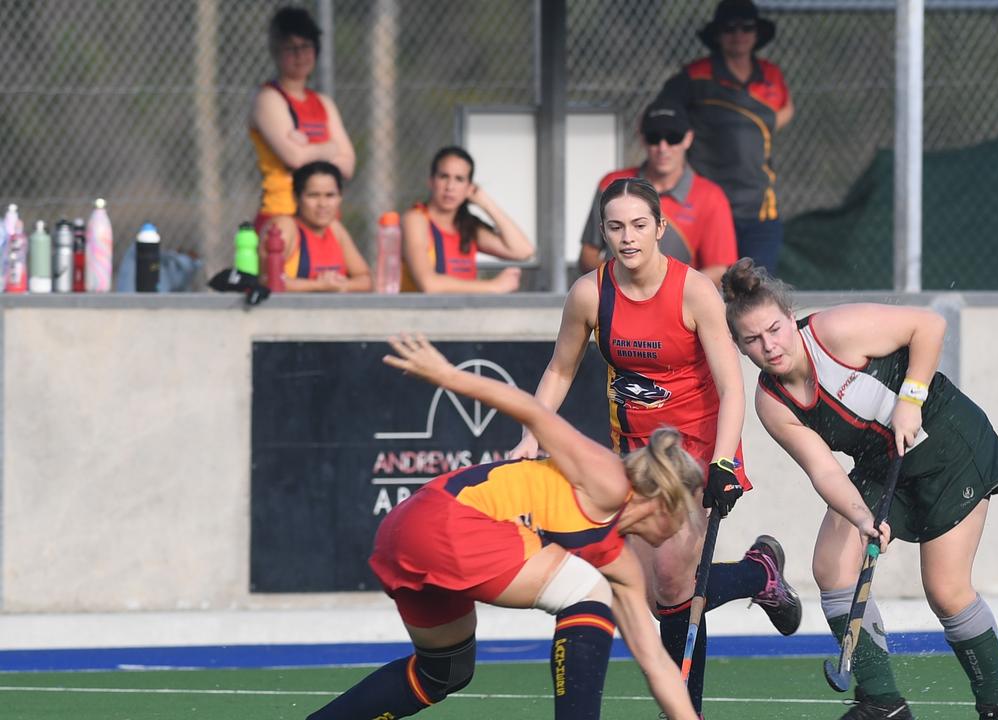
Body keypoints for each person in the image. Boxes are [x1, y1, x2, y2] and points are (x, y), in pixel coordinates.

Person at [511, 177, 799, 716]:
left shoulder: (694, 291)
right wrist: (531, 433)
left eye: (640, 225)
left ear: (660, 228)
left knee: (673, 582)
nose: (628, 237)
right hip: (638, 454)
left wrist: (723, 462)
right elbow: (559, 369)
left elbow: (731, 384)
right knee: (639, 590)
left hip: (699, 450)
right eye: (616, 227)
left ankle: (687, 709)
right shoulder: (589, 294)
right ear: (603, 232)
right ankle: (760, 572)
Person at [305, 333, 705, 720]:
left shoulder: (620, 563)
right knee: (588, 589)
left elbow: (656, 665)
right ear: (663, 498)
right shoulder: (609, 478)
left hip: (404, 530)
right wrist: (448, 377)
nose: (683, 528)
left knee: (443, 672)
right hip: (450, 521)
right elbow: (532, 411)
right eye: (685, 513)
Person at [721, 257, 998, 720]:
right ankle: (883, 703)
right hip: (882, 464)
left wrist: (911, 397)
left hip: (947, 442)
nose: (770, 346)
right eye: (753, 340)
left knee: (945, 590)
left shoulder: (836, 331)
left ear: (790, 318)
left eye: (774, 330)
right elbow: (824, 472)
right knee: (832, 564)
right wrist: (863, 518)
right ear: (741, 348)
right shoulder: (772, 404)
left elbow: (928, 326)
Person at [657, 0, 794, 275]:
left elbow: (786, 109)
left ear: (756, 33)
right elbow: (657, 120)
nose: (739, 35)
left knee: (759, 289)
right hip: (712, 204)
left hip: (759, 205)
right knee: (713, 288)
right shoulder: (695, 76)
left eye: (747, 27)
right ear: (718, 35)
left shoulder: (770, 74)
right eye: (730, 28)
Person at [578, 100, 737, 287]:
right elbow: (588, 255)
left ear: (688, 138)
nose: (663, 148)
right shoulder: (612, 185)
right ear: (642, 138)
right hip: (616, 299)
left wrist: (665, 293)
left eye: (673, 137)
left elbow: (719, 269)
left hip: (679, 306)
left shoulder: (711, 196)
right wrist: (619, 285)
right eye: (654, 137)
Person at [249, 5, 356, 235]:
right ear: (276, 51)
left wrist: (308, 148)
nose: (299, 55)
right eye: (291, 48)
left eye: (305, 46)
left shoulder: (323, 103)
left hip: (324, 219)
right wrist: (329, 148)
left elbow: (348, 164)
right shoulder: (268, 99)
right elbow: (295, 158)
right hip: (283, 216)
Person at [400, 146, 533, 294]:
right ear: (431, 181)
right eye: (444, 176)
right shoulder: (416, 219)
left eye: (459, 179)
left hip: (464, 315)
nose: (450, 187)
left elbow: (523, 251)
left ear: (469, 187)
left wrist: (485, 202)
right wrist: (494, 286)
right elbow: (429, 285)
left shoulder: (467, 226)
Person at [259, 161, 371, 293]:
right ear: (296, 198)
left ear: (340, 198)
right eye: (313, 195)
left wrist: (341, 285)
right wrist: (319, 286)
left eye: (330, 195)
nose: (322, 204)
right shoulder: (284, 227)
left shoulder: (335, 229)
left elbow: (366, 280)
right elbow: (269, 281)